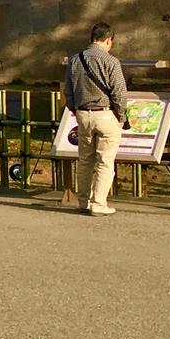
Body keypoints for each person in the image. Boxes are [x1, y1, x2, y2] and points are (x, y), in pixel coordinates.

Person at [64, 20, 131, 217]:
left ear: (92, 38)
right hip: (105, 113)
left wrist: (74, 109)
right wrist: (121, 115)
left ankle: (83, 201)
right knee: (105, 161)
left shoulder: (75, 59)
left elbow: (68, 90)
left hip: (83, 114)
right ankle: (98, 203)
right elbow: (119, 92)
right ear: (109, 40)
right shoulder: (111, 61)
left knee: (85, 160)